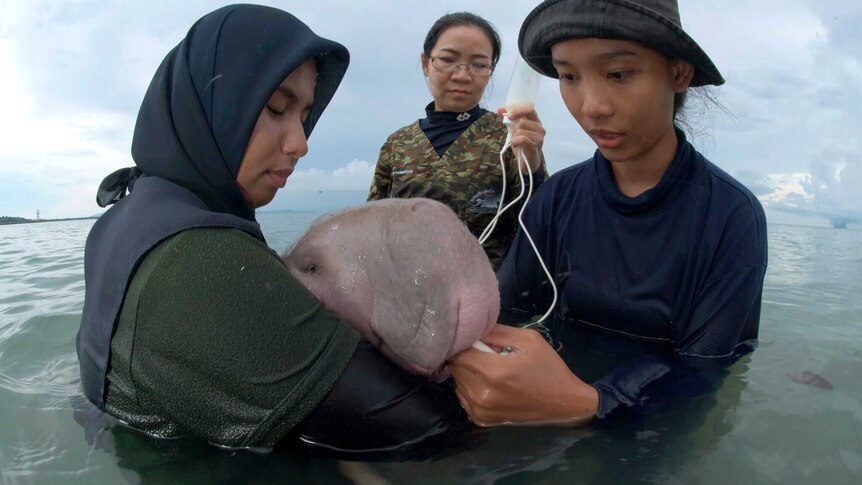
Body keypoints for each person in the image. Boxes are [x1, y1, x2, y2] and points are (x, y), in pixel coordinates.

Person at [76, 4, 468, 452]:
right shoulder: (206, 264)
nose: (300, 143)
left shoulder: (121, 221)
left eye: (304, 116)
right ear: (211, 106)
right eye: (276, 107)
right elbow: (431, 429)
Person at [449, 0, 767, 426]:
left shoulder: (732, 216)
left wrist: (592, 403)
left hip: (649, 430)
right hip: (534, 412)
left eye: (618, 74)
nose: (592, 106)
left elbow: (704, 370)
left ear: (678, 73)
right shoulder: (556, 198)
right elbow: (503, 316)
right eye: (568, 76)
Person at [367, 12, 549, 270]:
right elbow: (373, 227)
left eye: (478, 64)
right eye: (448, 60)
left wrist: (532, 166)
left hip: (488, 300)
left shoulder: (510, 138)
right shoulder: (397, 144)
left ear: (491, 70)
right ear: (425, 63)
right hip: (407, 297)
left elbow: (542, 224)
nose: (462, 75)